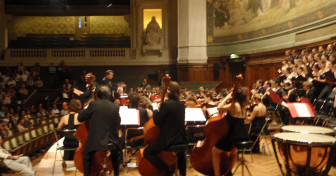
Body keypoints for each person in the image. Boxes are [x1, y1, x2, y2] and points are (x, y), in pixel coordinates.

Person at [143, 81, 187, 176]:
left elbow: (157, 121)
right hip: (181, 139)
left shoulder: (166, 105)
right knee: (181, 152)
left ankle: (166, 170)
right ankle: (183, 173)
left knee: (147, 152)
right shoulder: (182, 106)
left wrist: (156, 109)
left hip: (167, 140)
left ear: (168, 92)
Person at [78, 86, 121, 176]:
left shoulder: (93, 105)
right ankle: (116, 173)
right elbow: (118, 123)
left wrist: (86, 107)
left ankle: (87, 174)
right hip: (112, 141)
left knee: (86, 154)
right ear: (109, 95)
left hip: (95, 141)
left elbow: (80, 118)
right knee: (116, 154)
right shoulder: (114, 107)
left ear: (97, 95)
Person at [212, 87, 250, 176]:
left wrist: (227, 97)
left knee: (215, 151)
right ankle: (228, 172)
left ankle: (217, 175)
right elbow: (247, 119)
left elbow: (219, 108)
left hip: (233, 136)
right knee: (234, 152)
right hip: (243, 135)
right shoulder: (243, 107)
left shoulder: (233, 105)